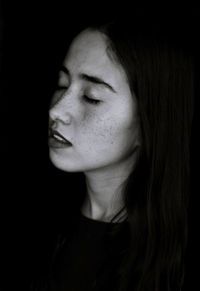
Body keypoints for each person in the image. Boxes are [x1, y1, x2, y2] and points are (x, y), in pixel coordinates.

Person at [31, 19, 194, 291]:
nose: (56, 110)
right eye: (62, 84)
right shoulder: (33, 229)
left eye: (91, 97)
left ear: (148, 123)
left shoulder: (176, 264)